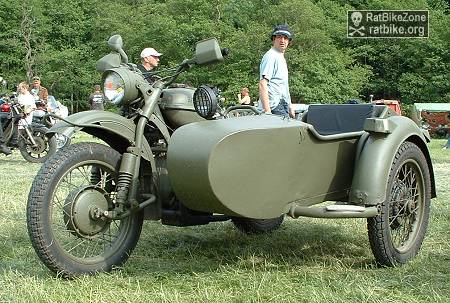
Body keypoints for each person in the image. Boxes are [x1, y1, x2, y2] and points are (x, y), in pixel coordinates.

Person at [258, 24, 295, 118]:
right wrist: (267, 112)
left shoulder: (280, 57)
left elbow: (283, 86)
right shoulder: (271, 56)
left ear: (289, 41)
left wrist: (290, 107)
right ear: (273, 39)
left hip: (282, 105)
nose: (282, 40)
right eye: (279, 37)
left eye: (285, 38)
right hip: (274, 107)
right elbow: (263, 84)